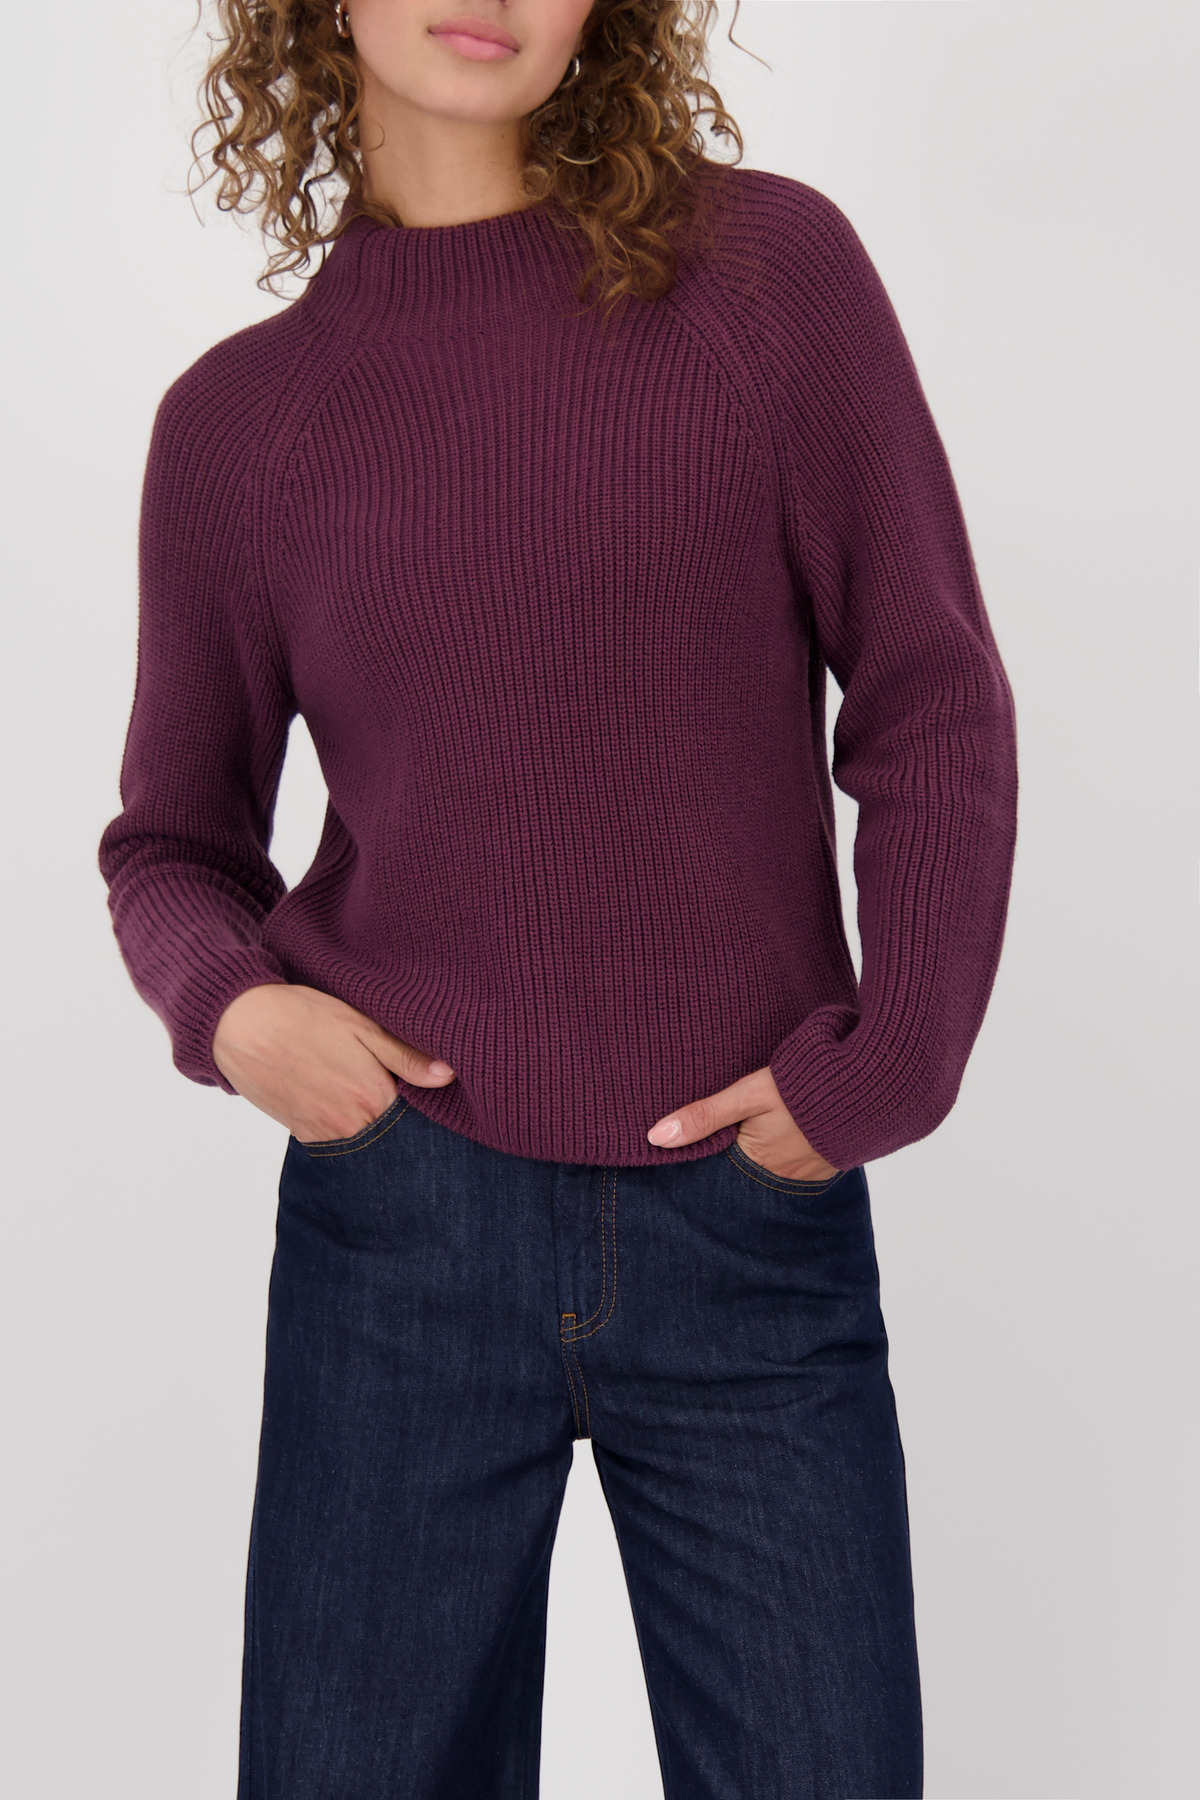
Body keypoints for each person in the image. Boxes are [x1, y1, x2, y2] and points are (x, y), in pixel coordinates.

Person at [97, 1, 1019, 1794]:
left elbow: (929, 693)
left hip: (749, 1219)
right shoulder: (241, 427)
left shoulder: (765, 281)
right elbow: (174, 845)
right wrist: (236, 1009)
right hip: (402, 1236)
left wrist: (891, 1061)